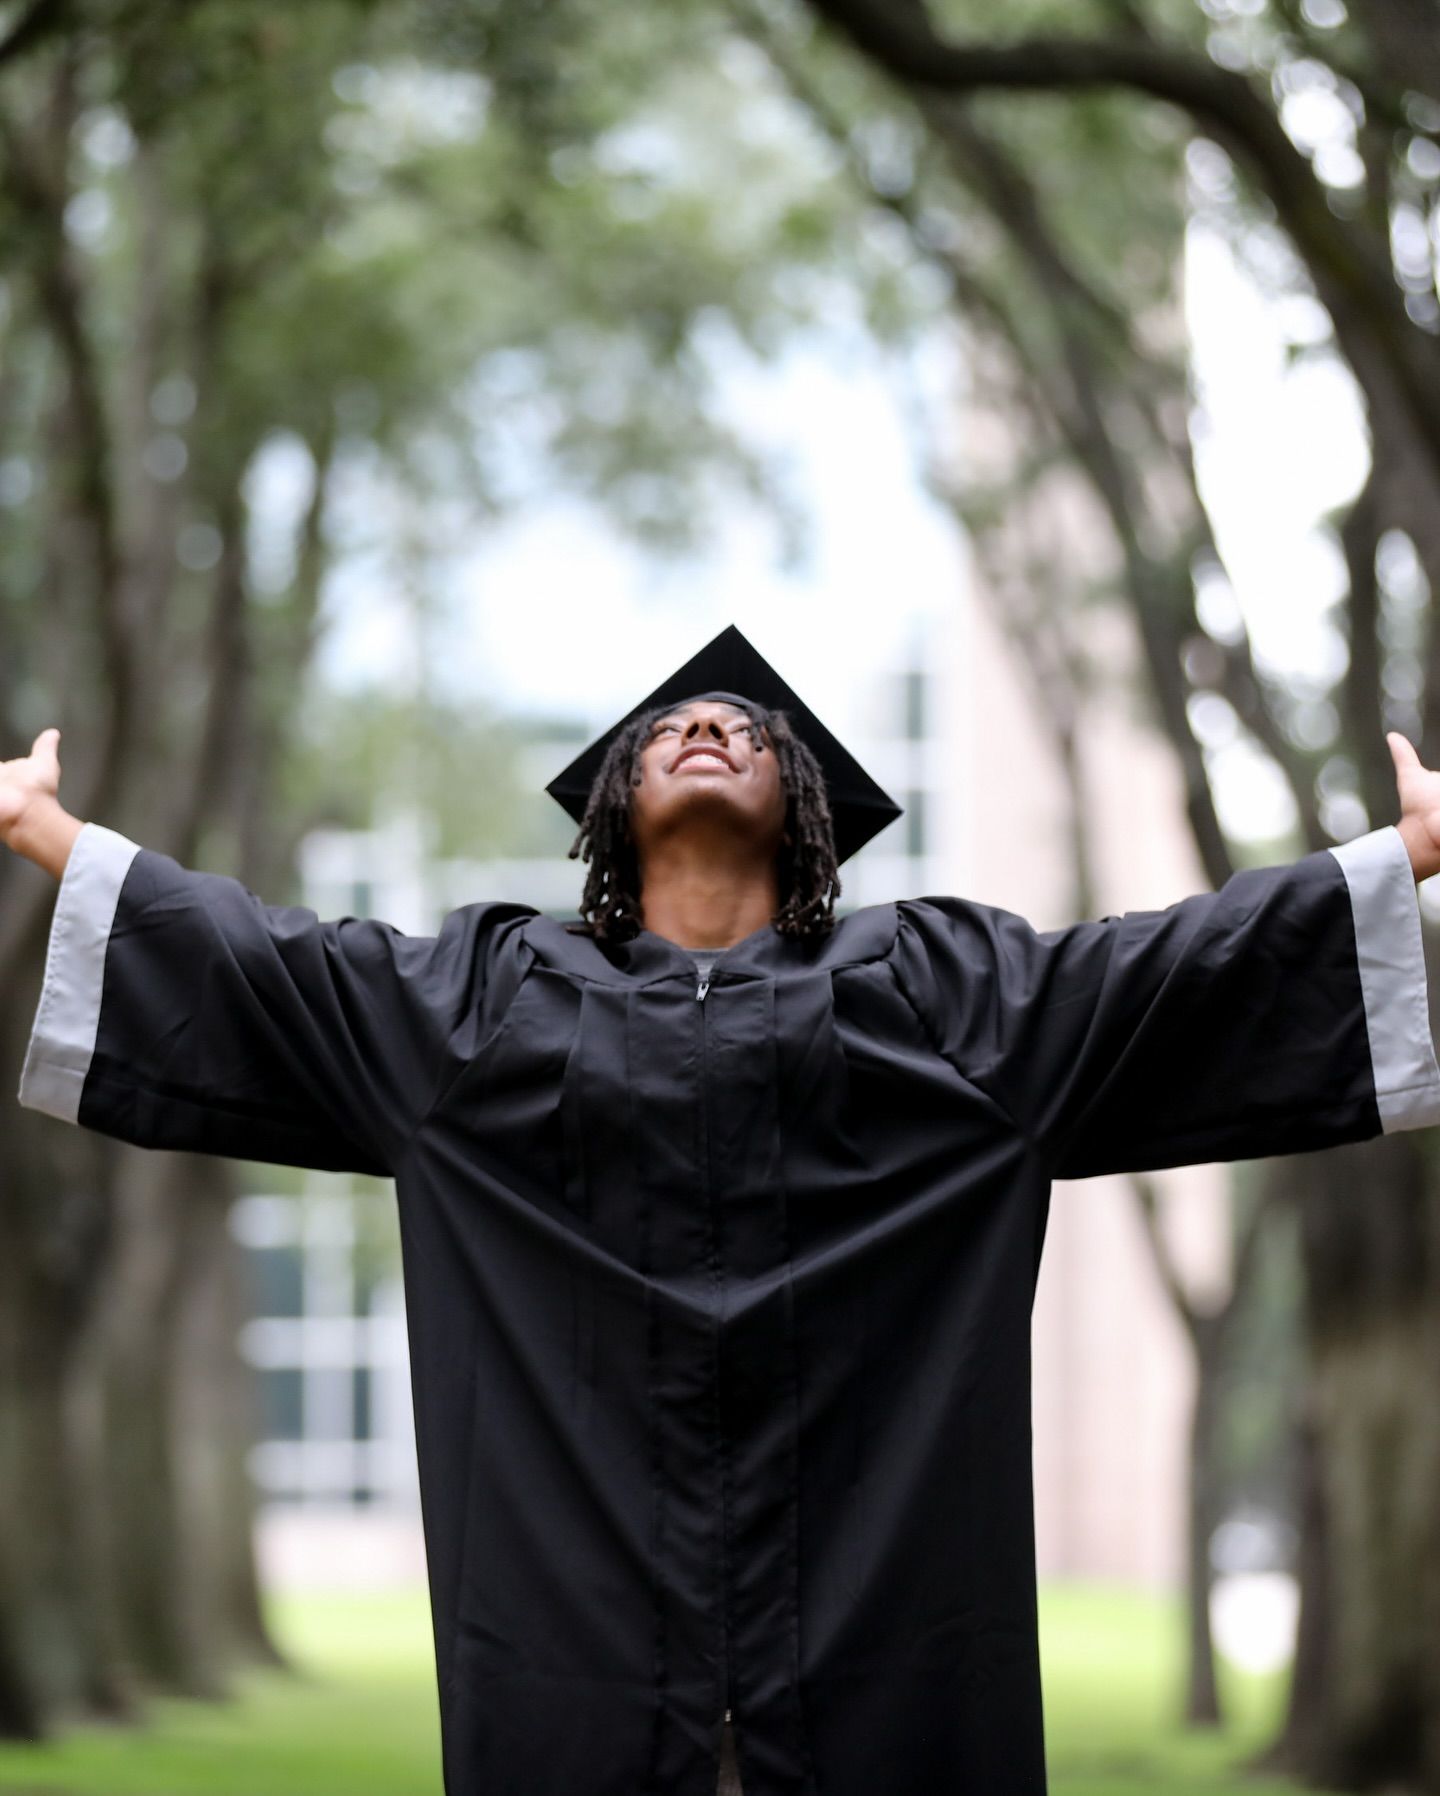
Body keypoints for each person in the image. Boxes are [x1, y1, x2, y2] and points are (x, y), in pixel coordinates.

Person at [6, 621, 1440, 1796]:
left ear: (810, 813)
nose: (713, 728)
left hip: (884, 1663)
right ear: (613, 804)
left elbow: (1169, 970)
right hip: (577, 1668)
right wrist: (60, 840)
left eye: (753, 730)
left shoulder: (945, 1003)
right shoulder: (482, 1010)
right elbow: (266, 962)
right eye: (676, 725)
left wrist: (1398, 866)